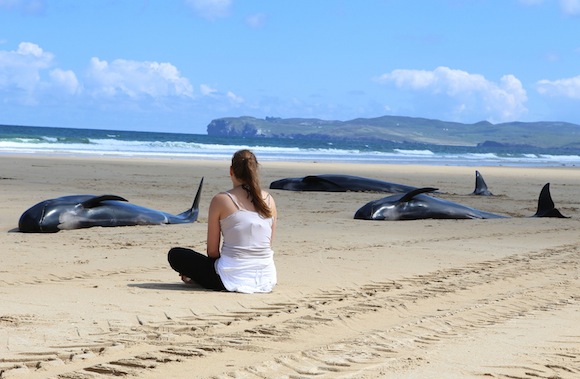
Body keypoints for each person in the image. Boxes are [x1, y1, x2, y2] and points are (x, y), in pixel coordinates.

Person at [168, 149, 277, 293]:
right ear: (255, 171)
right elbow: (267, 244)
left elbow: (212, 252)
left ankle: (197, 278)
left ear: (231, 171)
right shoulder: (269, 200)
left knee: (176, 255)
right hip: (267, 277)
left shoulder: (221, 200)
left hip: (230, 278)